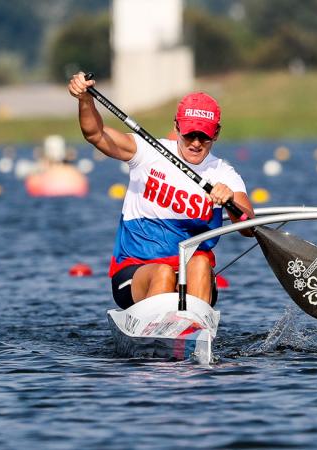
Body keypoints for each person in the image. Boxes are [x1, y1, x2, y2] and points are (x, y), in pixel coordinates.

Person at [67, 72, 254, 309]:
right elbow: (95, 134)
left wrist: (230, 202)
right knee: (163, 273)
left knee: (200, 263)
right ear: (176, 127)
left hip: (192, 275)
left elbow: (249, 227)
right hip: (136, 271)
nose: (196, 143)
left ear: (216, 133)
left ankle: (191, 332)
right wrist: (85, 100)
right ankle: (161, 338)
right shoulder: (146, 152)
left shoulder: (224, 174)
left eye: (204, 136)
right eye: (189, 135)